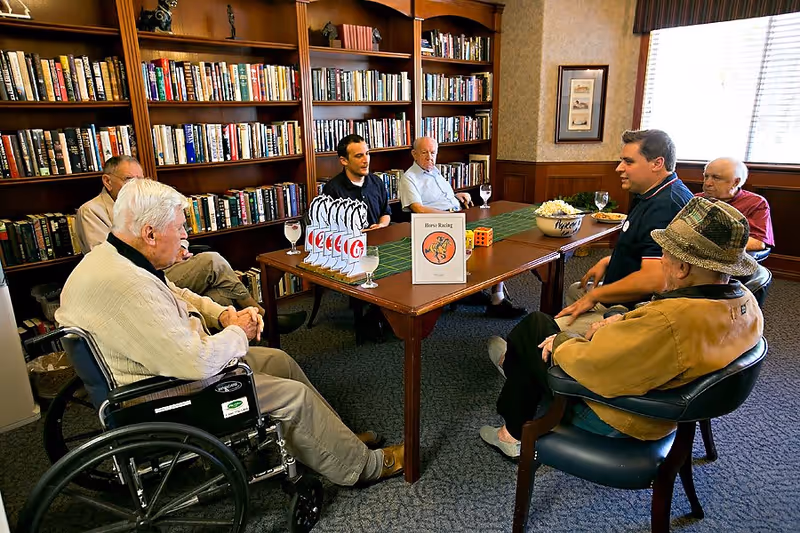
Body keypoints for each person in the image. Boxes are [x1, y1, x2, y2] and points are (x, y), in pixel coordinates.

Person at [56, 179, 404, 485]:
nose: (184, 236)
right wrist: (238, 332)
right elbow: (197, 362)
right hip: (163, 393)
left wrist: (222, 314)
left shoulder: (113, 257)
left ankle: (332, 439)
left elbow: (174, 293)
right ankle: (363, 466)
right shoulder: (127, 286)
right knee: (292, 396)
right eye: (178, 228)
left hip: (157, 366)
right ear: (149, 232)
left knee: (279, 360)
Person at [479, 196, 764, 457]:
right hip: (667, 397)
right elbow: (662, 328)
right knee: (542, 338)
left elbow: (596, 367)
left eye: (665, 253)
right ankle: (515, 361)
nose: (662, 259)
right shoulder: (747, 303)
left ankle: (512, 431)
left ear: (682, 268)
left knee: (535, 327)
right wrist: (618, 317)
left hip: (621, 416)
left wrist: (563, 342)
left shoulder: (669, 322)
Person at [75, 155, 305, 334]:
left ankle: (241, 325)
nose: (137, 185)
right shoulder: (91, 211)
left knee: (221, 297)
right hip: (143, 274)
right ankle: (261, 319)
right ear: (107, 181)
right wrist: (164, 253)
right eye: (129, 180)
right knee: (212, 261)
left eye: (141, 179)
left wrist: (180, 248)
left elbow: (175, 231)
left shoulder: (143, 204)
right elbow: (113, 257)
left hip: (165, 267)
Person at [553, 129, 694, 335]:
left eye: (628, 162)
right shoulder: (656, 192)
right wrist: (608, 261)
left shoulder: (665, 207)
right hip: (629, 293)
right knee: (578, 289)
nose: (619, 168)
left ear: (657, 163)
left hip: (636, 310)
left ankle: (564, 344)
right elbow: (646, 248)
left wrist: (597, 295)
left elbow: (655, 279)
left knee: (553, 327)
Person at [400, 136, 526, 319]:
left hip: (456, 216)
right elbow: (418, 209)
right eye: (424, 152)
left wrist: (458, 196)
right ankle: (496, 300)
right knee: (490, 245)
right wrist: (452, 216)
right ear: (414, 154)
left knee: (497, 238)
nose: (430, 157)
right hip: (437, 226)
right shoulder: (409, 178)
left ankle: (482, 291)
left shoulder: (434, 171)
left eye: (433, 152)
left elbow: (439, 197)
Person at [697, 157, 774, 252]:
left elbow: (758, 242)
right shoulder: (697, 199)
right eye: (706, 176)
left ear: (735, 182)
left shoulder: (756, 203)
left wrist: (711, 244)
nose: (707, 183)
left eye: (716, 178)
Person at [321, 135, 391, 230]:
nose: (366, 160)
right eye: (359, 156)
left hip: (378, 238)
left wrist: (381, 225)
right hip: (350, 242)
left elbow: (385, 213)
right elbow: (329, 227)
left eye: (367, 154)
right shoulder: (332, 189)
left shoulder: (377, 181)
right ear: (344, 161)